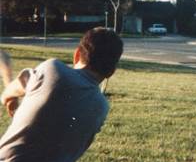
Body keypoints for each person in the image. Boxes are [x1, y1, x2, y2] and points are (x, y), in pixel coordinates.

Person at [0, 27, 123, 162]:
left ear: (76, 54)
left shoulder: (53, 69)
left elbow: (9, 92)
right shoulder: (102, 107)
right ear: (111, 72)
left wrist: (9, 97)